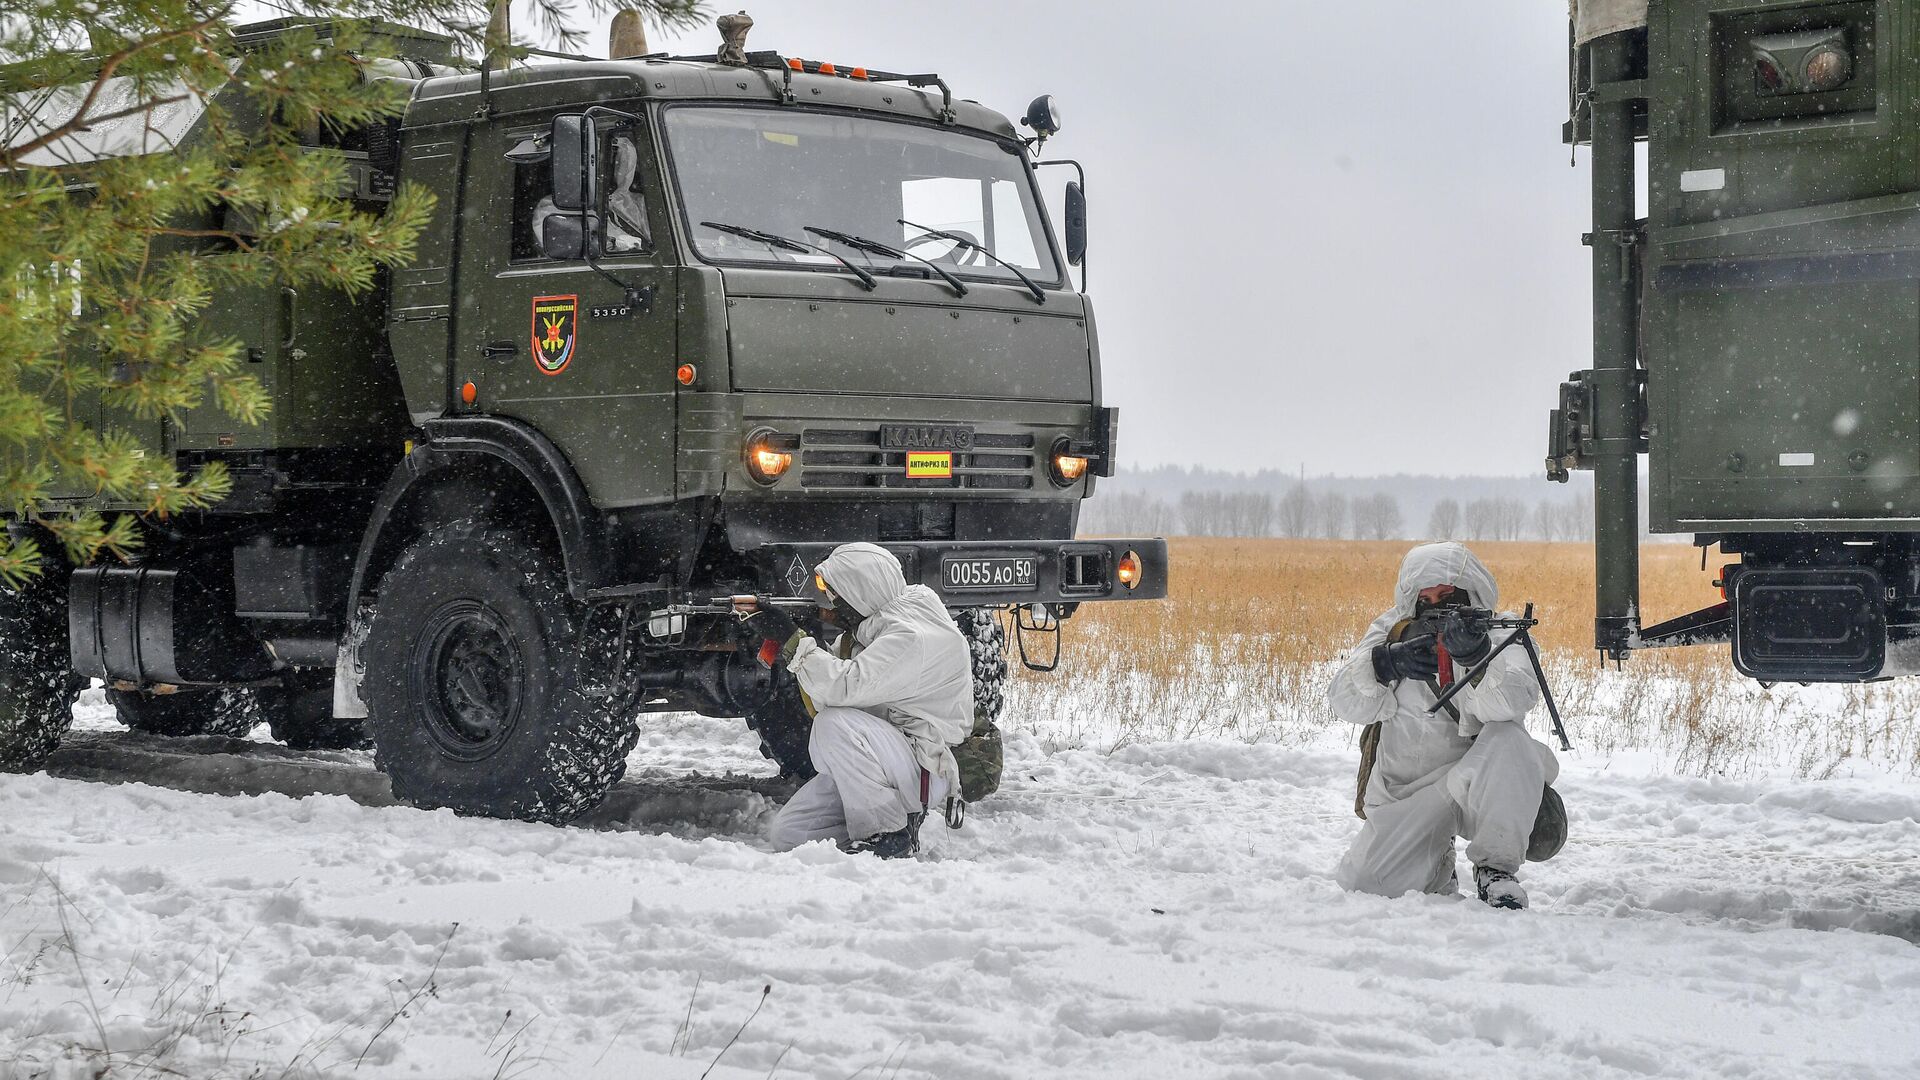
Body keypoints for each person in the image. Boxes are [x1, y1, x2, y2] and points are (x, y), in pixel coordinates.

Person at [1327, 542, 1563, 909]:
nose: (1437, 606)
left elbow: (1514, 701)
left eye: (1448, 596)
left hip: (1471, 784)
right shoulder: (1391, 630)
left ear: (1470, 593)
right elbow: (1343, 702)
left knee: (1509, 738)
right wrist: (1384, 664)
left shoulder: (1502, 631)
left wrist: (1477, 656)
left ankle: (1495, 871)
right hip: (1406, 794)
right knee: (1368, 885)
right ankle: (1438, 863)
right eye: (1426, 599)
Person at [749, 543, 973, 859]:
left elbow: (842, 687)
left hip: (918, 765)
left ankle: (888, 834)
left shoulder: (911, 637)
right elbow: (831, 687)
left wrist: (794, 642)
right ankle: (874, 830)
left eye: (837, 599)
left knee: (834, 725)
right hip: (882, 757)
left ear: (862, 592)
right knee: (791, 834)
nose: (829, 608)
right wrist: (791, 639)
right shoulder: (877, 626)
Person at [530, 135, 649, 254]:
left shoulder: (638, 204)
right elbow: (578, 248)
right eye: (593, 158)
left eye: (612, 154)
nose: (605, 163)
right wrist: (618, 244)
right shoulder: (554, 207)